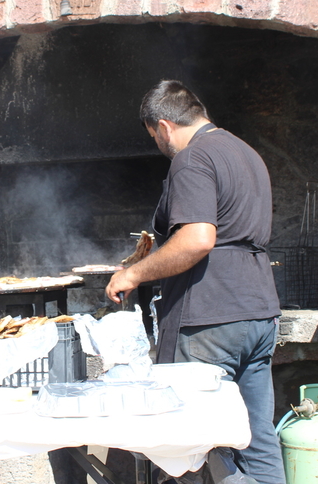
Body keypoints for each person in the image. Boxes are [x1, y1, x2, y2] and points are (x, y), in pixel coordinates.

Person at [106, 80, 285, 484]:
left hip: (210, 317)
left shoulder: (192, 158)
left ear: (164, 126)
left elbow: (198, 239)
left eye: (154, 136)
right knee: (256, 438)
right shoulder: (246, 152)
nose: (158, 144)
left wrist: (132, 272)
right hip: (258, 312)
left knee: (191, 445)